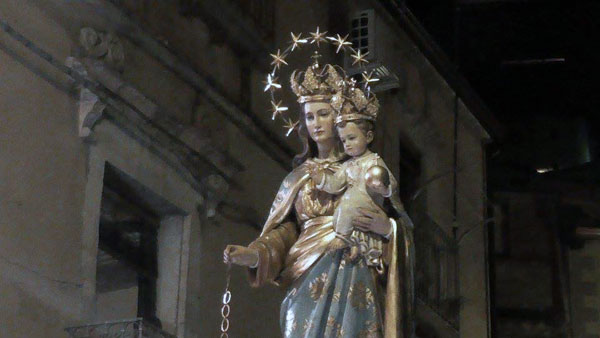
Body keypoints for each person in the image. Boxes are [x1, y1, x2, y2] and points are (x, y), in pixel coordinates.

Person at [223, 60, 415, 338]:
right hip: (305, 278)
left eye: (323, 114)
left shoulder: (363, 169)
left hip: (353, 271)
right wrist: (254, 254)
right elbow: (286, 232)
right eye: (309, 116)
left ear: (339, 118)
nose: (315, 124)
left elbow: (398, 227)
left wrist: (388, 229)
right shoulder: (298, 178)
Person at [309, 114, 395, 271]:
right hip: (352, 202)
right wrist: (321, 178)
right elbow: (335, 184)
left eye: (352, 138)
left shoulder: (375, 161)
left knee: (347, 206)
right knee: (341, 211)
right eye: (343, 140)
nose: (347, 144)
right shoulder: (347, 165)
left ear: (368, 137)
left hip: (367, 203)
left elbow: (390, 182)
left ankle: (342, 239)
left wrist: (384, 189)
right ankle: (353, 244)